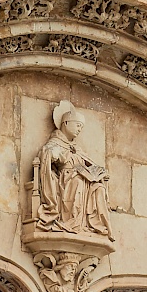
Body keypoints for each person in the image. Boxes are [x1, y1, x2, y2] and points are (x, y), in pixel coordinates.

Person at [35, 101, 112, 237]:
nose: (79, 130)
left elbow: (88, 163)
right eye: (77, 125)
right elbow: (47, 154)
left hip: (82, 178)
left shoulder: (77, 148)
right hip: (66, 180)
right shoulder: (55, 142)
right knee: (78, 182)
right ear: (66, 123)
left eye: (81, 127)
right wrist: (55, 154)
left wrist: (98, 173)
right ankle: (72, 222)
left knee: (99, 188)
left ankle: (96, 225)